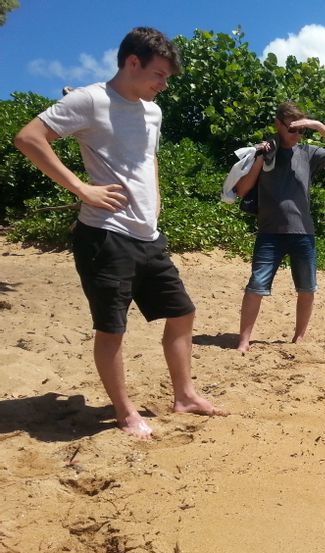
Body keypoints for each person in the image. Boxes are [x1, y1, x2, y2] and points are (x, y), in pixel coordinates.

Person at [14, 27, 226, 439]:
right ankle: (125, 411)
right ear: (133, 62)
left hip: (148, 234)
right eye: (159, 75)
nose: (163, 85)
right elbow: (28, 137)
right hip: (105, 236)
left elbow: (148, 161)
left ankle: (184, 395)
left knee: (182, 313)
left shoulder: (153, 111)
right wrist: (81, 188)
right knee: (112, 328)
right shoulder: (90, 99)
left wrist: (156, 208)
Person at [235, 101, 325, 351]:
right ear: (278, 124)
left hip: (303, 232)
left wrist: (318, 126)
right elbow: (242, 190)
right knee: (256, 286)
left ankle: (299, 336)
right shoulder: (265, 150)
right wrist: (259, 158)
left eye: (302, 130)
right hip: (269, 233)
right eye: (292, 129)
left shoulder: (308, 153)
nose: (297, 135)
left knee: (307, 287)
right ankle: (244, 340)